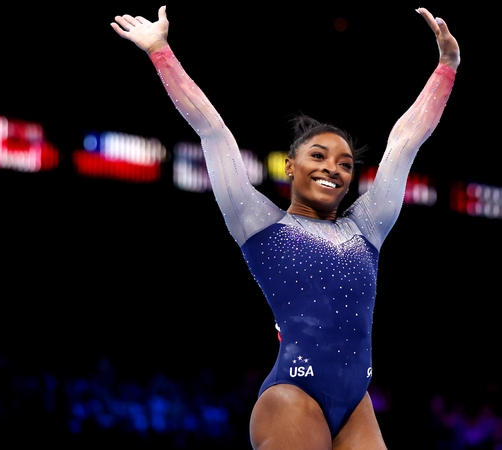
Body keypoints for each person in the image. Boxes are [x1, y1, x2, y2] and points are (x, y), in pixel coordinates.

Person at [111, 5, 460, 449]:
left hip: (357, 403)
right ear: (290, 166)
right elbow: (212, 131)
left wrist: (446, 68)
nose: (332, 168)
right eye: (318, 156)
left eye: (345, 164)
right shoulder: (259, 224)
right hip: (293, 397)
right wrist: (161, 52)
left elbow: (405, 142)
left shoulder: (368, 227)